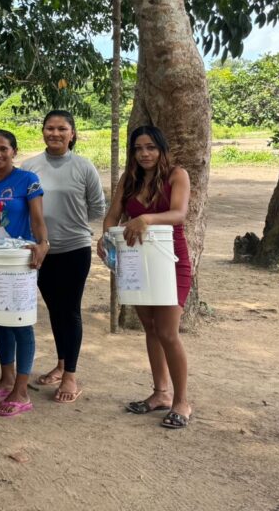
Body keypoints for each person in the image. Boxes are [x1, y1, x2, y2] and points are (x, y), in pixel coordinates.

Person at [99, 125, 192, 429]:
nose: (144, 154)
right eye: (138, 148)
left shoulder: (177, 175)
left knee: (167, 332)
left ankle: (182, 402)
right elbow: (112, 217)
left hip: (170, 261)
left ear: (161, 149)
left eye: (151, 147)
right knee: (150, 327)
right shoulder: (129, 179)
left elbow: (178, 213)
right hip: (136, 260)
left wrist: (145, 218)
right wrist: (106, 238)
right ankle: (161, 393)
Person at [22, 109, 105, 403]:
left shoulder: (84, 166)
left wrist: (72, 223)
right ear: (43, 132)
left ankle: (70, 374)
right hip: (41, 251)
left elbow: (97, 207)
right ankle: (60, 364)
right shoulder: (30, 167)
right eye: (50, 128)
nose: (55, 133)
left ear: (72, 134)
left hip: (74, 249)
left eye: (61, 129)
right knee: (55, 309)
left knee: (70, 310)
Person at [0, 130, 49, 416]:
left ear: (13, 151)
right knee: (0, 320)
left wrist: (43, 244)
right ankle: (6, 379)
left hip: (21, 260)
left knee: (20, 321)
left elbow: (37, 218)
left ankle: (21, 390)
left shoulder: (27, 180)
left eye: (3, 149)